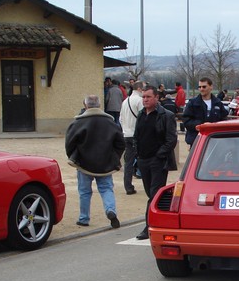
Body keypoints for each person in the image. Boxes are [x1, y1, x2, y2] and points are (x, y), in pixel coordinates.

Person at [65, 94, 125, 229]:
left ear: (85, 105)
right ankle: (111, 210)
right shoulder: (110, 122)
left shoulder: (78, 122)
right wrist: (114, 157)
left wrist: (75, 157)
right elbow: (120, 143)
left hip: (84, 163)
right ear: (99, 105)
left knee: (84, 191)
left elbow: (69, 143)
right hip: (105, 163)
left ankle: (83, 218)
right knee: (106, 189)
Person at [134, 85, 178, 240]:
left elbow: (171, 139)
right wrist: (137, 157)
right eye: (143, 97)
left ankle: (149, 226)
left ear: (156, 98)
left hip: (157, 161)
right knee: (149, 193)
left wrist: (159, 155)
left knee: (154, 194)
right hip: (143, 160)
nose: (145, 100)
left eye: (148, 97)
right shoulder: (141, 114)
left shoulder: (166, 115)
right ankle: (161, 219)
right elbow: (137, 137)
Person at [182, 77, 228, 147]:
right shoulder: (192, 103)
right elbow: (186, 120)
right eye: (199, 87)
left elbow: (224, 119)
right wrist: (201, 125)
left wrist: (214, 126)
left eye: (204, 87)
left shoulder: (218, 103)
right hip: (196, 139)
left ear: (211, 87)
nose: (201, 89)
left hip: (215, 140)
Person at [119, 80, 144, 195]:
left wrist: (125, 128)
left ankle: (128, 186)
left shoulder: (125, 101)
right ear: (139, 89)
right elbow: (143, 118)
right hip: (137, 135)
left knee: (128, 162)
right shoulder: (139, 101)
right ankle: (144, 180)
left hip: (126, 134)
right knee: (144, 159)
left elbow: (120, 119)